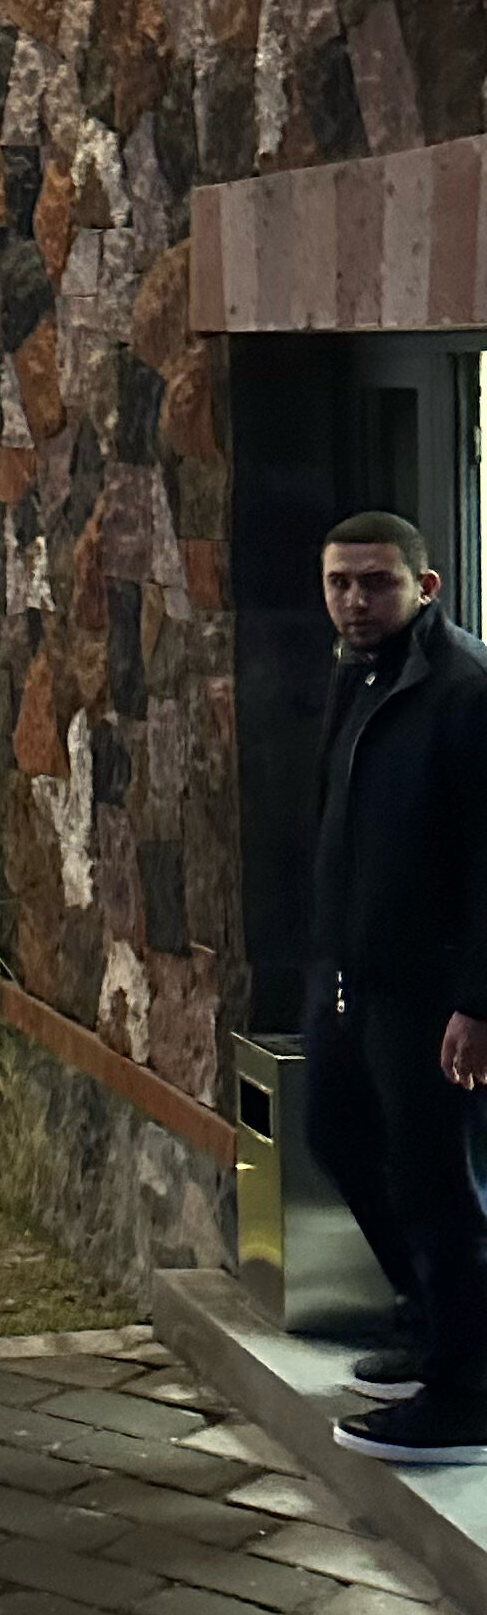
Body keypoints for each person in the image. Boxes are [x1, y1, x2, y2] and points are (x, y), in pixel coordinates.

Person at [305, 512, 487, 1461]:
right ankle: (431, 1318)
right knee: (333, 1135)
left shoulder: (464, 691)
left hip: (431, 991)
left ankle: (469, 1392)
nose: (355, 600)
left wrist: (479, 1000)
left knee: (436, 1184)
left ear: (428, 586)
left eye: (376, 582)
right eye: (340, 582)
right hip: (352, 974)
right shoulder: (358, 674)